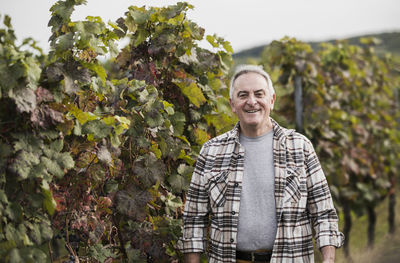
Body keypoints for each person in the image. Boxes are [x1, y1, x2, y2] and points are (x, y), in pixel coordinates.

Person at [179, 64, 344, 263]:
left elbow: (323, 212)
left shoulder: (300, 147)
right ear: (232, 104)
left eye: (259, 94)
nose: (251, 102)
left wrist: (328, 259)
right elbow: (194, 220)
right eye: (243, 95)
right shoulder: (211, 152)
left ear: (271, 100)